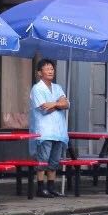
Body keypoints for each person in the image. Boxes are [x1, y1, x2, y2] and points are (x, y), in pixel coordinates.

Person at [30, 58, 69, 196]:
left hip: (59, 131)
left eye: (52, 68)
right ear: (40, 73)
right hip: (44, 130)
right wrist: (58, 104)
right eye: (47, 69)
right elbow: (44, 109)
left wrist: (54, 104)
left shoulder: (57, 87)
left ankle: (51, 187)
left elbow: (66, 104)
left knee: (54, 161)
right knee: (43, 160)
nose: (50, 71)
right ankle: (40, 188)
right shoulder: (37, 89)